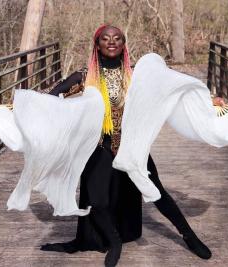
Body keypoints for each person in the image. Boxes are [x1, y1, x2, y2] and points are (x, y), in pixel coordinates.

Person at [40, 25, 217, 266]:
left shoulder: (137, 75)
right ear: (97, 44)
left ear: (123, 43)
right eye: (105, 38)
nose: (111, 42)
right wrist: (27, 108)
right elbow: (52, 97)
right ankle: (114, 242)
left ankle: (190, 237)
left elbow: (177, 87)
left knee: (157, 193)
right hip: (100, 146)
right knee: (96, 199)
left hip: (133, 146)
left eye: (117, 38)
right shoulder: (85, 77)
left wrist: (208, 101)